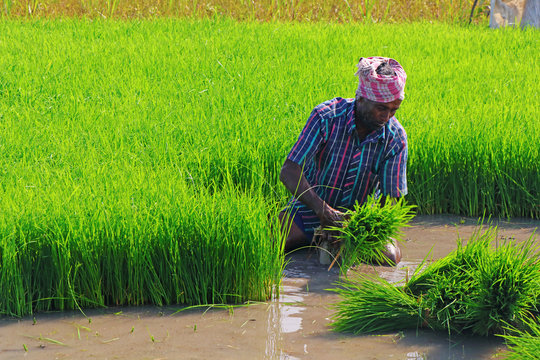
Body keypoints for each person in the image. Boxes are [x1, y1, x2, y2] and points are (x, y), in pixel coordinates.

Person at [279, 57, 408, 265]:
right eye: (381, 109)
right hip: (311, 209)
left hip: (358, 220)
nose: (387, 117)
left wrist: (363, 229)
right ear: (361, 99)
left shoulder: (395, 137)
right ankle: (312, 238)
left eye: (394, 110)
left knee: (390, 258)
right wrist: (324, 211)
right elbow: (289, 170)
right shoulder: (326, 117)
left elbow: (390, 198)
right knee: (273, 240)